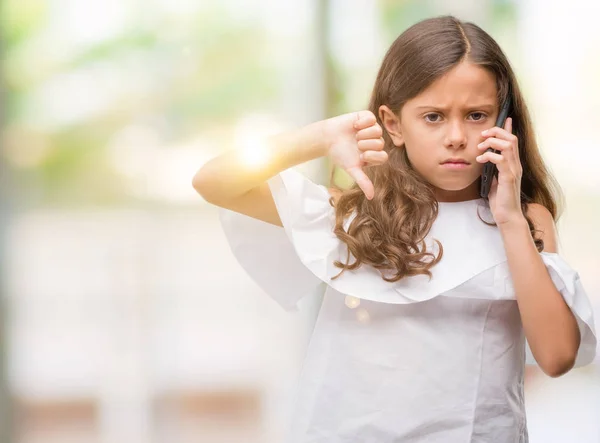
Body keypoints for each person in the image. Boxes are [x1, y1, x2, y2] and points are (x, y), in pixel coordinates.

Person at [192, 15, 597, 443]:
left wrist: (509, 217)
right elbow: (212, 180)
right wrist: (322, 136)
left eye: (477, 115)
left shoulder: (525, 221)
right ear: (393, 124)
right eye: (434, 117)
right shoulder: (350, 212)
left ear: (504, 121)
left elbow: (556, 356)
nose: (457, 136)